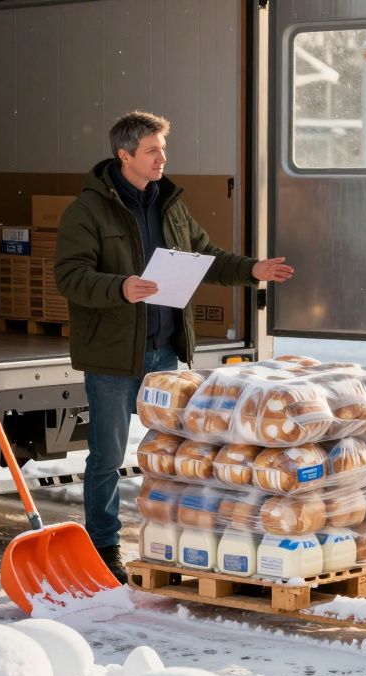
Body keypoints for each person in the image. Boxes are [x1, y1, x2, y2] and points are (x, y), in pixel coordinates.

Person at [55, 110, 294, 582]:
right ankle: (104, 546)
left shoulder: (170, 204)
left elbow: (206, 257)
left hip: (164, 355)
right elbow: (70, 276)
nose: (161, 158)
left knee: (171, 457)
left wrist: (251, 270)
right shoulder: (87, 211)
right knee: (107, 459)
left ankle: (168, 540)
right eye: (151, 151)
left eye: (162, 149)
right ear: (124, 155)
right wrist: (120, 287)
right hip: (112, 356)